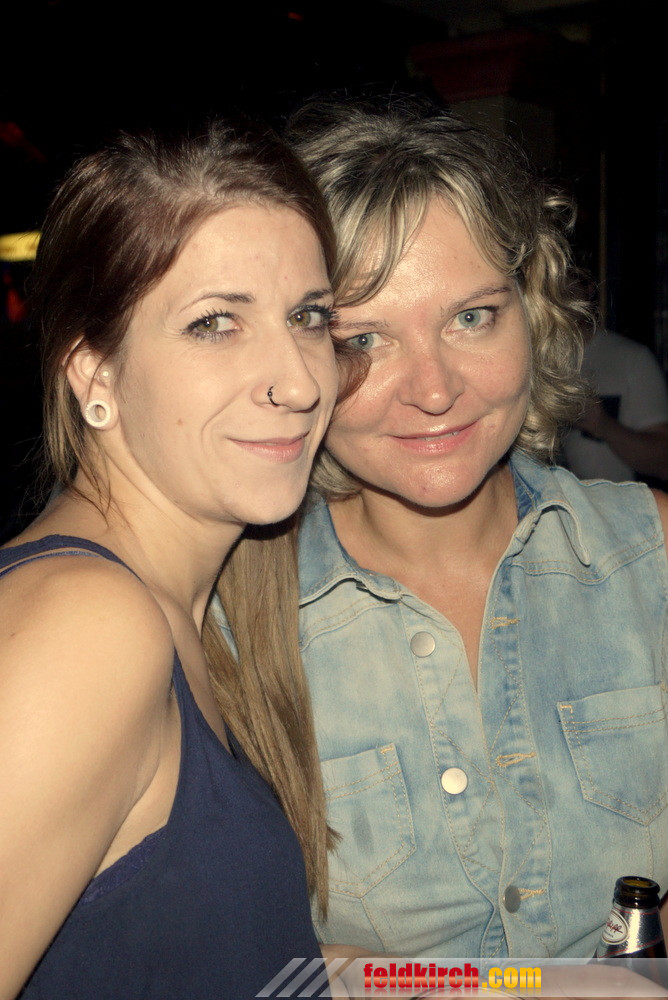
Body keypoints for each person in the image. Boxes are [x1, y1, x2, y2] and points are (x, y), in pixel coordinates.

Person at [277, 96, 668, 963]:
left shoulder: (655, 558)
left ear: (534, 312)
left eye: (471, 317)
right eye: (364, 338)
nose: (435, 389)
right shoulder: (235, 628)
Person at [0, 120, 342, 999]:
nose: (301, 381)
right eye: (215, 324)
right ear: (94, 374)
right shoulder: (87, 627)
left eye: (309, 317)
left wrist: (523, 983)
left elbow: (242, 965)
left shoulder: (199, 607)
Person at [561, 326, 668, 483]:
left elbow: (663, 461)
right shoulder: (533, 356)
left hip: (616, 496)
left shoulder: (632, 358)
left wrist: (602, 425)